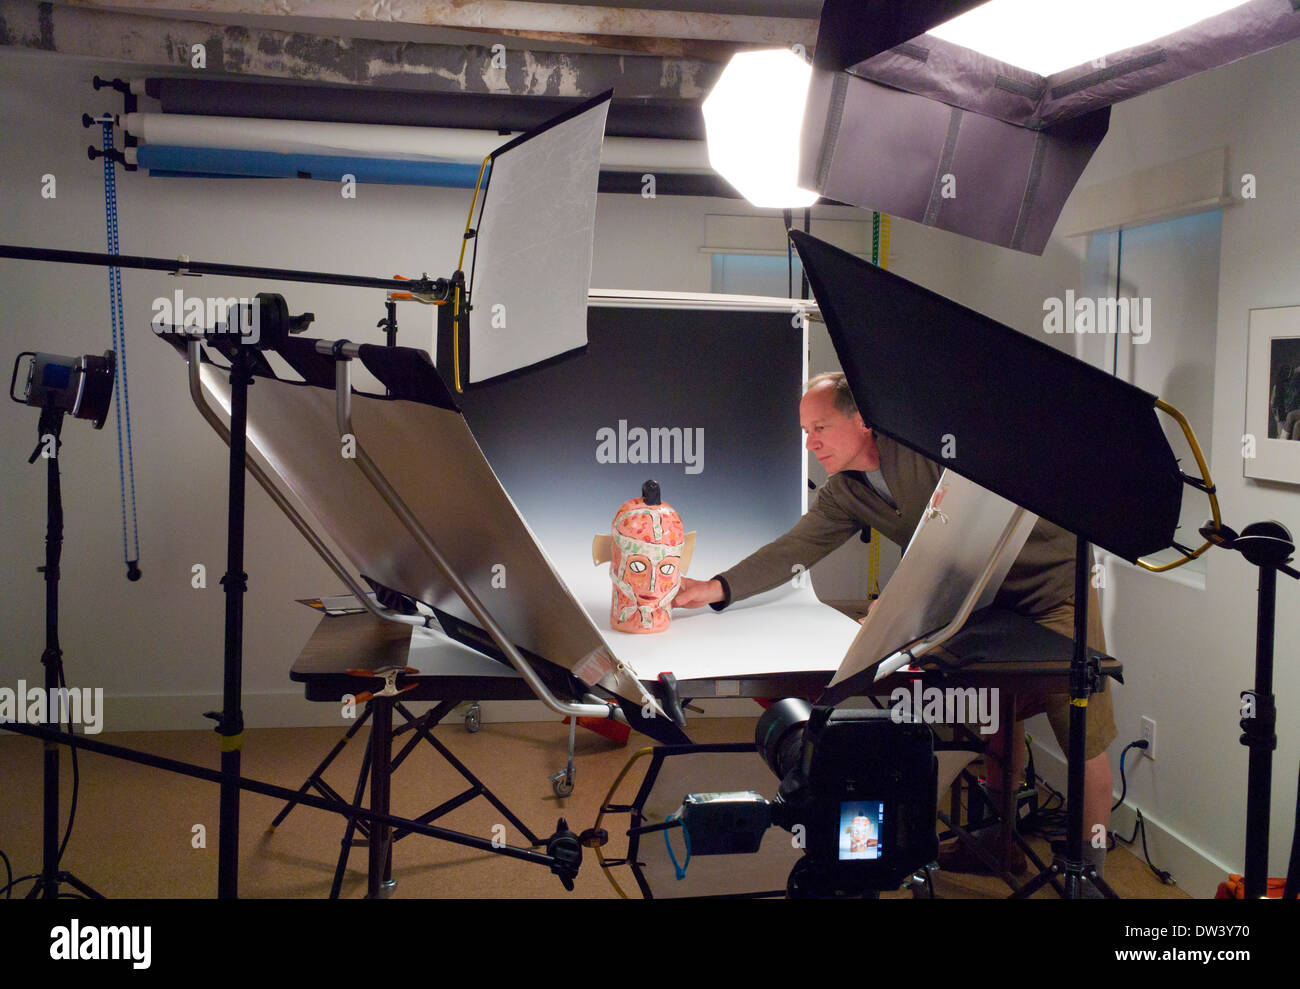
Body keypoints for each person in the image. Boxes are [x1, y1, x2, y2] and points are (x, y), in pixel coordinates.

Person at [675, 372, 1117, 890]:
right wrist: (715, 587)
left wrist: (909, 600)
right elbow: (794, 549)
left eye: (820, 427)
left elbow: (969, 534)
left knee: (1085, 738)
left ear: (863, 421)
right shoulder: (845, 493)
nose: (810, 442)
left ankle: (1090, 877)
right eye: (804, 431)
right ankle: (998, 845)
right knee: (1000, 712)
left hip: (1052, 591)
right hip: (983, 601)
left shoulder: (926, 450)